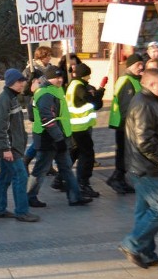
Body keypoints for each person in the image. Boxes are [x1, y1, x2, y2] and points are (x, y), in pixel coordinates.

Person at [118, 68, 158, 269]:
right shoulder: (143, 104)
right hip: (147, 168)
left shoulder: (151, 101)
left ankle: (147, 254)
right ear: (151, 84)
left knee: (145, 211)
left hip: (145, 166)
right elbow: (144, 140)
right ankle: (131, 244)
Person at [26, 66, 92, 208]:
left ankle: (75, 197)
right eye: (57, 77)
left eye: (61, 77)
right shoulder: (45, 93)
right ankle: (29, 196)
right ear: (49, 78)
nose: (60, 79)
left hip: (58, 138)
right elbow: (47, 119)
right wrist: (59, 139)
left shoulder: (56, 90)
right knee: (40, 169)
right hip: (48, 139)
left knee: (66, 168)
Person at [0, 69, 39, 222]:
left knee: (5, 177)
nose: (22, 84)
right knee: (21, 176)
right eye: (20, 81)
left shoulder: (11, 97)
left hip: (12, 147)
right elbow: (0, 128)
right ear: (12, 82)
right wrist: (6, 149)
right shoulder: (4, 100)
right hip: (10, 149)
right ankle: (22, 211)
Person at [63, 63, 104, 198]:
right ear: (84, 75)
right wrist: (100, 92)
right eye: (88, 75)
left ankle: (61, 179)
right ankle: (83, 184)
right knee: (87, 155)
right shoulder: (80, 87)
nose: (89, 78)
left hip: (74, 126)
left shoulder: (73, 85)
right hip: (79, 126)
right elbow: (94, 103)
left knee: (75, 152)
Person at [107, 54, 144, 194]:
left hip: (130, 125)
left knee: (126, 153)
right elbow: (126, 106)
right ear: (129, 65)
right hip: (124, 125)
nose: (141, 67)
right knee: (123, 153)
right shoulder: (126, 80)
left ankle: (119, 179)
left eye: (142, 64)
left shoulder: (135, 79)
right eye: (138, 64)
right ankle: (117, 179)